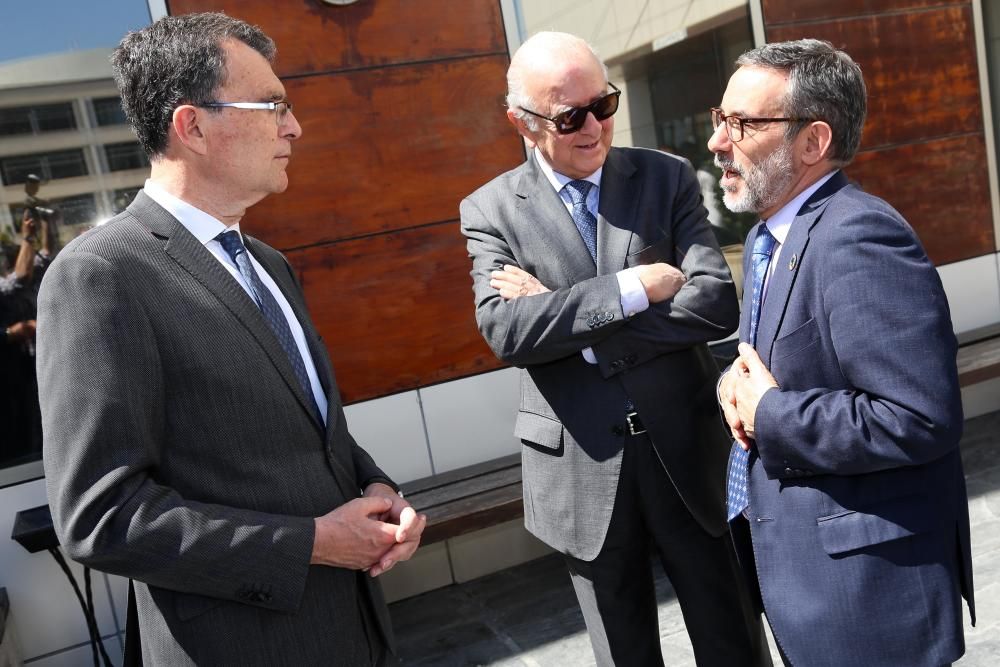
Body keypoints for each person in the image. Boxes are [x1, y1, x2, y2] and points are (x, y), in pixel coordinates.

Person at [37, 13, 424, 666]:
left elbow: (313, 429)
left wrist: (380, 492)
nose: (294, 126)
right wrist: (310, 543)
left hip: (354, 630)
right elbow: (101, 516)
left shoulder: (270, 264)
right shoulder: (101, 274)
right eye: (273, 105)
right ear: (192, 126)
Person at [461, 31, 768, 666]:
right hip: (579, 467)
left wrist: (573, 324)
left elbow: (714, 301)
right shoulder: (489, 210)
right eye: (570, 116)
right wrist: (633, 289)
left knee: (732, 638)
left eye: (604, 105)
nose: (594, 127)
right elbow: (507, 331)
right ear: (521, 121)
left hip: (686, 452)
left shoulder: (666, 176)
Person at [711, 39, 976, 666]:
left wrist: (770, 412)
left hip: (869, 600)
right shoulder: (765, 236)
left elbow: (917, 418)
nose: (719, 142)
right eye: (719, 119)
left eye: (742, 123)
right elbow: (797, 357)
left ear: (813, 142)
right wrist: (736, 380)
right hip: (804, 574)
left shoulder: (859, 235)